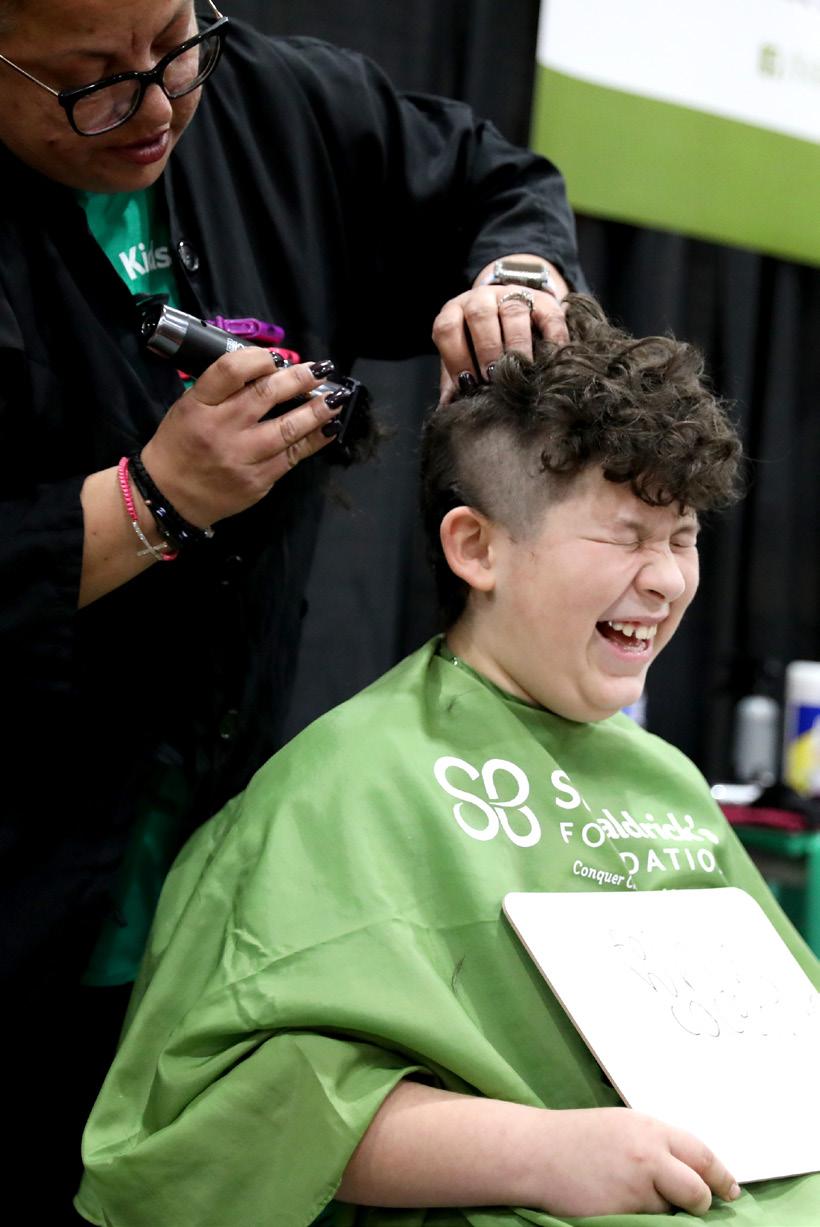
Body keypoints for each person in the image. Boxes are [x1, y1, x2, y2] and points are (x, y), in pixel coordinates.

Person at [0, 0, 584, 1214]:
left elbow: (495, 185)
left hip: (204, 858)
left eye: (175, 42)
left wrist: (515, 277)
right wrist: (150, 501)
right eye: (89, 81)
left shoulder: (273, 105)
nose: (154, 105)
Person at [77, 295, 820, 1226]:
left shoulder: (664, 781)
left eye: (683, 538)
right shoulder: (347, 786)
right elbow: (230, 1111)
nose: (668, 579)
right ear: (476, 547)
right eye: (625, 537)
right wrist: (538, 1151)